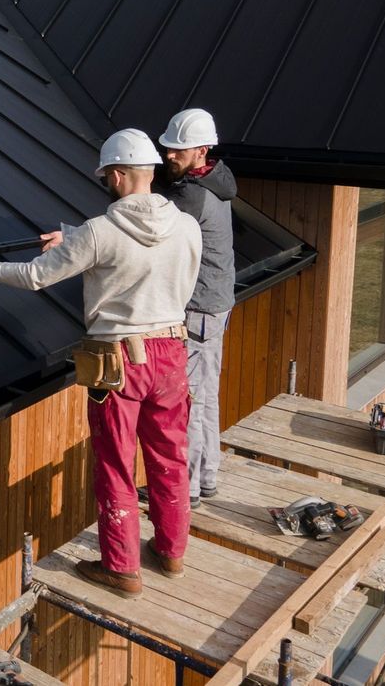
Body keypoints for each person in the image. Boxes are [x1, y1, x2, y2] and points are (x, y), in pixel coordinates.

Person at [0, 129, 201, 596]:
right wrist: (77, 237)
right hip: (173, 354)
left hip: (121, 360)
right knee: (170, 457)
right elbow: (143, 254)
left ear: (119, 175)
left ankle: (122, 568)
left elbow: (36, 276)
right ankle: (172, 551)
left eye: (107, 176)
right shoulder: (187, 225)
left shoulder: (102, 233)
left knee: (117, 464)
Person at [158, 108, 236, 510]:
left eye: (178, 149)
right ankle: (205, 478)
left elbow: (151, 229)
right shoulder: (217, 180)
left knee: (189, 399)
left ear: (202, 150)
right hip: (214, 305)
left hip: (200, 309)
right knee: (206, 394)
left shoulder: (190, 196)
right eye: (167, 147)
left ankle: (185, 490)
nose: (168, 155)